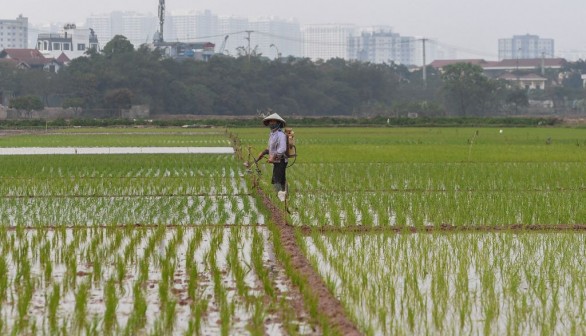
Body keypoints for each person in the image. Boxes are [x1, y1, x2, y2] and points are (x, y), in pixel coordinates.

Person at [257, 112, 288, 201]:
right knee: (281, 179)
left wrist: (273, 157)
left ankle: (281, 199)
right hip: (276, 161)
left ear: (278, 123)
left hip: (281, 160)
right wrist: (263, 152)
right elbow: (271, 148)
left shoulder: (281, 135)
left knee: (276, 180)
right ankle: (285, 196)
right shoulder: (272, 134)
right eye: (270, 121)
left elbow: (282, 148)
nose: (271, 123)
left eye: (273, 122)